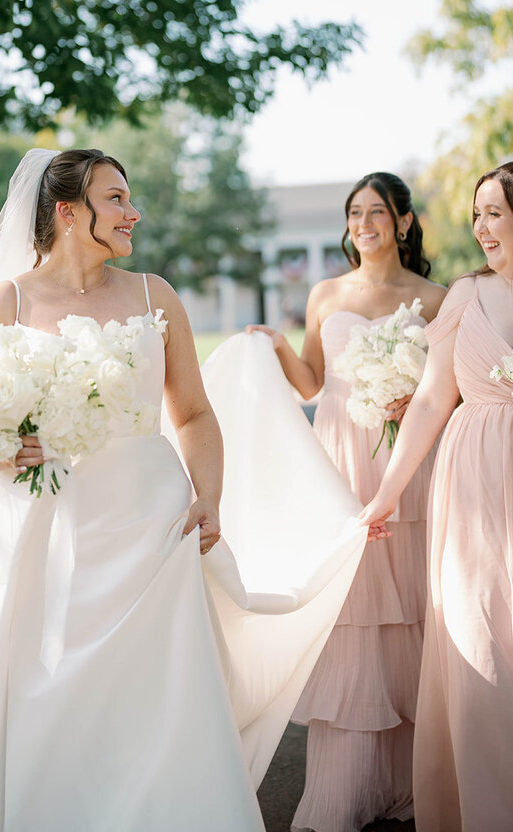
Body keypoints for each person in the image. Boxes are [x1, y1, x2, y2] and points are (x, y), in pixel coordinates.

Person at [0, 148, 368, 832]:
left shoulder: (153, 295)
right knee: (49, 701)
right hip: (45, 531)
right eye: (117, 199)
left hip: (149, 528)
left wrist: (209, 497)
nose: (132, 212)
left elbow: (193, 413)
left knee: (159, 704)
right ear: (68, 212)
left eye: (129, 199)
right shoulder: (6, 299)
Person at [246, 171, 444, 832]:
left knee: (409, 612)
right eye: (355, 212)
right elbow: (309, 379)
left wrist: (409, 401)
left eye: (378, 212)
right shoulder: (326, 293)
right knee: (352, 610)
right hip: (337, 464)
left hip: (404, 468)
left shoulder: (436, 300)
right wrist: (275, 344)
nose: (364, 223)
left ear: (405, 222)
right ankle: (341, 791)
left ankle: (415, 783)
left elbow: (452, 391)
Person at [361, 162, 513, 832]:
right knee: (481, 643)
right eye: (477, 214)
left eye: (495, 213)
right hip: (478, 484)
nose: (482, 227)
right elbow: (429, 400)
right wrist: (386, 495)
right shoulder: (467, 297)